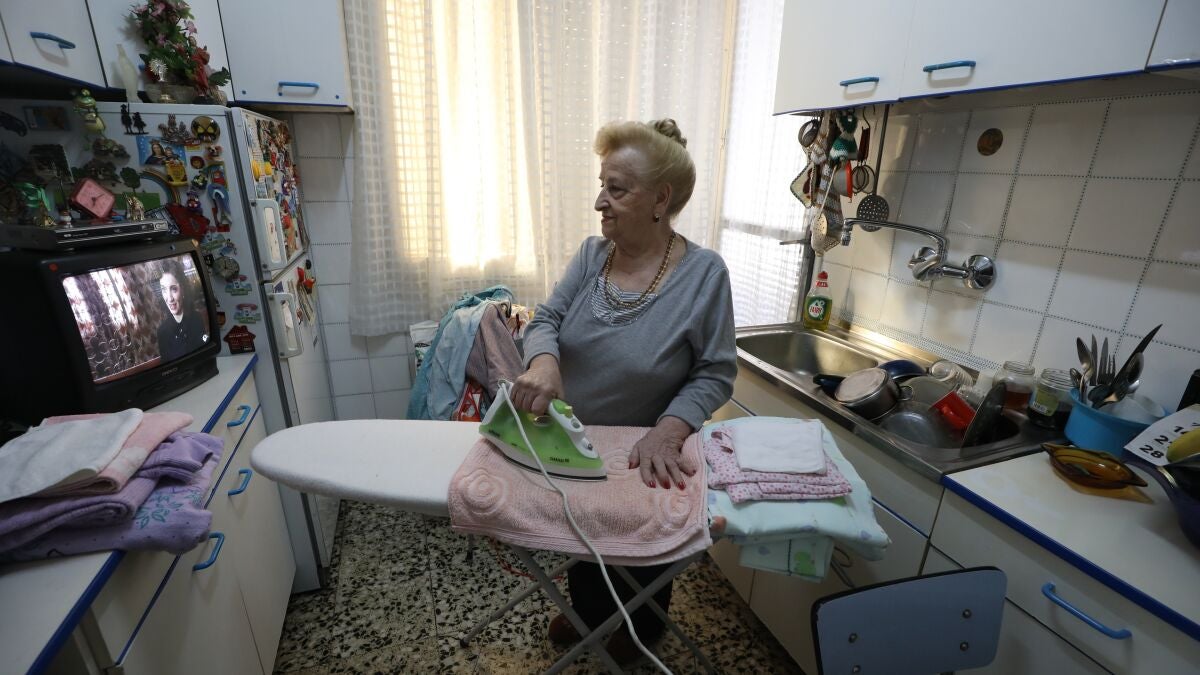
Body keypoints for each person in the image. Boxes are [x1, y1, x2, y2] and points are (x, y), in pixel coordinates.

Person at [512, 118, 736, 664]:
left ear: (661, 199)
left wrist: (669, 430)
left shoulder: (704, 275)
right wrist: (544, 363)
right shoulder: (593, 255)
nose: (599, 202)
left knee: (641, 554)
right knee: (584, 541)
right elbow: (546, 320)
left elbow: (714, 372)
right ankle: (591, 613)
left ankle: (642, 625)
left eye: (616, 189)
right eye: (602, 185)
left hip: (645, 453)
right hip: (577, 442)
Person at [156, 258, 208, 361]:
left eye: (174, 289)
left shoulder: (197, 318)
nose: (169, 298)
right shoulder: (162, 332)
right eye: (164, 290)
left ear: (183, 289)